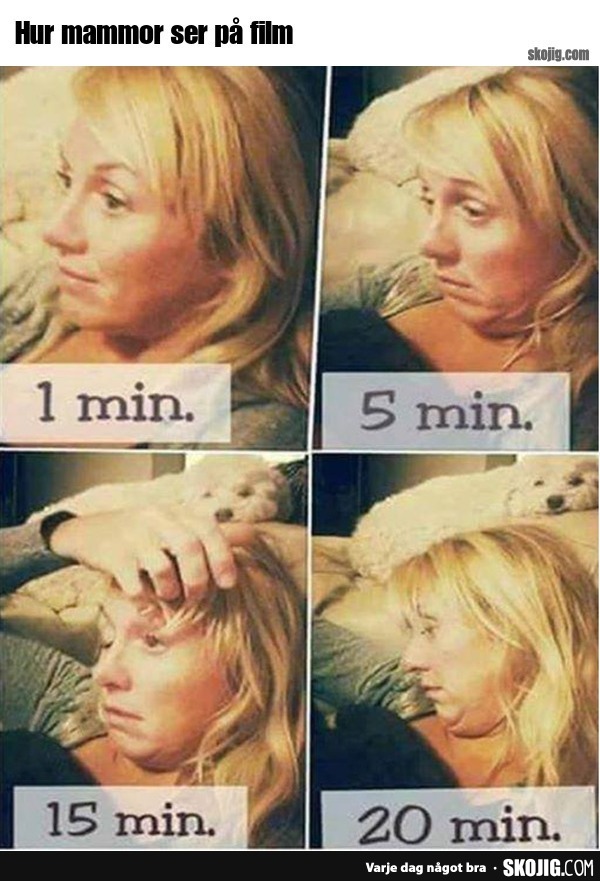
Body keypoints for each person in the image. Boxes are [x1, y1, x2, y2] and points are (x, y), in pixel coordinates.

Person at [6, 66, 322, 449]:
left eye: (113, 201)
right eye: (67, 179)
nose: (55, 231)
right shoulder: (41, 291)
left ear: (235, 242)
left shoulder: (248, 435)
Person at [318, 68, 598, 449]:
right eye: (429, 199)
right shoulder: (402, 282)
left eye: (472, 210)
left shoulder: (581, 407)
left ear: (576, 221)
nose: (431, 244)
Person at [2, 513, 306, 848]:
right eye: (108, 637)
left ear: (252, 665)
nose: (103, 673)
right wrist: (63, 534)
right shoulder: (67, 703)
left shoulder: (269, 822)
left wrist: (265, 594)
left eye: (152, 641)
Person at [311, 523, 597, 830]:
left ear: (521, 631)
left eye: (430, 630)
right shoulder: (380, 728)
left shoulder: (578, 791)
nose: (410, 661)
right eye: (413, 633)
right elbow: (301, 637)